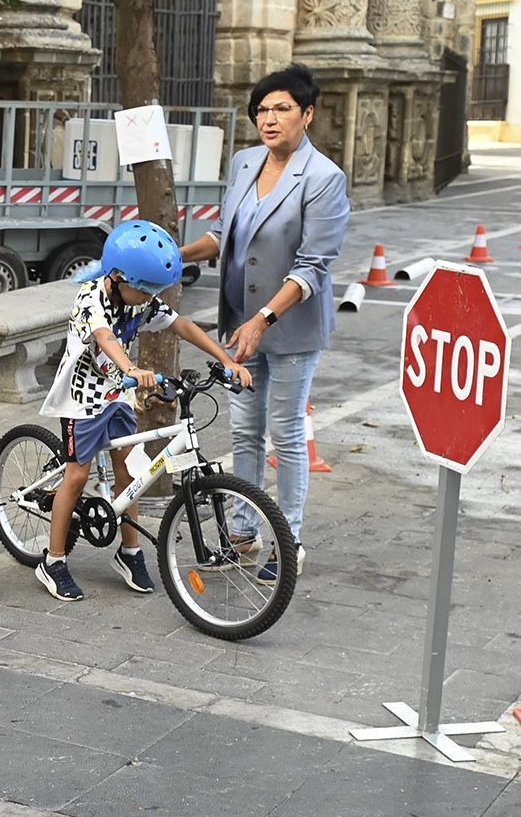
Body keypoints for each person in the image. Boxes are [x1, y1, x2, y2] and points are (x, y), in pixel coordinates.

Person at [179, 63, 349, 582]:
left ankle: (288, 538)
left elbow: (314, 266)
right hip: (238, 324)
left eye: (282, 109)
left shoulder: (323, 178)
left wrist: (263, 319)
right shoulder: (245, 162)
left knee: (287, 433)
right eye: (262, 110)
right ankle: (243, 529)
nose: (269, 120)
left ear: (308, 114)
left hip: (290, 330)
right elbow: (225, 233)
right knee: (245, 431)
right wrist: (175, 253)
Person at [35, 220, 252, 602]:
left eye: (155, 290)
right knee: (77, 475)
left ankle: (130, 551)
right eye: (145, 288)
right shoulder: (90, 299)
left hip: (117, 394)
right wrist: (132, 369)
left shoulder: (141, 298)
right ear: (118, 276)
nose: (151, 296)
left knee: (129, 470)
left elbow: (182, 326)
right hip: (83, 398)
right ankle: (53, 561)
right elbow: (105, 338)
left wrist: (227, 359)